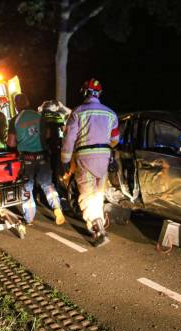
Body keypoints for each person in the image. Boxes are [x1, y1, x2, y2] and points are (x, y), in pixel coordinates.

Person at [61, 78, 119, 246]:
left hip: (84, 158)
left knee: (87, 193)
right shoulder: (110, 113)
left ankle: (98, 229)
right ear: (99, 93)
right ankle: (98, 222)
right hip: (104, 158)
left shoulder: (77, 112)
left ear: (85, 93)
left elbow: (69, 139)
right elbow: (115, 139)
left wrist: (65, 160)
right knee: (98, 194)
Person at [7, 93, 65, 226]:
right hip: (43, 156)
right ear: (27, 102)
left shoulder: (15, 120)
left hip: (26, 158)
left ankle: (29, 218)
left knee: (26, 188)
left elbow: (11, 143)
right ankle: (57, 208)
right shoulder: (40, 117)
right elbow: (48, 134)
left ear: (16, 106)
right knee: (47, 184)